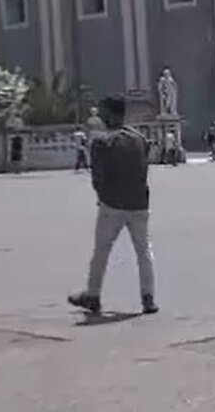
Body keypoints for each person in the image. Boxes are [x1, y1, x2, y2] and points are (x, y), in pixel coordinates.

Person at [67, 95, 158, 316]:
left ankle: (93, 295)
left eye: (103, 112)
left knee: (101, 251)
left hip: (113, 205)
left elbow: (98, 176)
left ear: (111, 114)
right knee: (144, 251)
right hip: (139, 204)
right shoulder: (139, 139)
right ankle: (148, 298)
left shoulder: (103, 142)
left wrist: (103, 195)